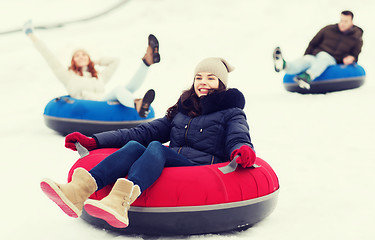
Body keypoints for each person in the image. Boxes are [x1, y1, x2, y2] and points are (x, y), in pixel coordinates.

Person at [40, 57, 257, 229]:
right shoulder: (184, 109)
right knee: (136, 146)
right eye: (199, 77)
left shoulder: (231, 112)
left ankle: (120, 201)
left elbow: (238, 136)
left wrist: (242, 150)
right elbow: (145, 131)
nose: (203, 83)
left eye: (210, 78)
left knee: (155, 148)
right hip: (175, 160)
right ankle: (78, 191)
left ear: (221, 83)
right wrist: (95, 141)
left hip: (201, 168)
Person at [23, 20, 159, 117]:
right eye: (77, 55)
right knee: (119, 90)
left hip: (104, 102)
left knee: (127, 89)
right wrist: (31, 34)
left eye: (84, 55)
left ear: (89, 58)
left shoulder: (98, 76)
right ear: (73, 60)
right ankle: (137, 104)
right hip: (89, 106)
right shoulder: (67, 76)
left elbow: (115, 62)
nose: (81, 57)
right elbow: (48, 55)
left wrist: (95, 62)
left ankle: (146, 62)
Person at [273, 10, 363, 89]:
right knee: (305, 61)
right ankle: (284, 65)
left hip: (333, 60)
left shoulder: (356, 37)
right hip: (316, 56)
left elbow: (355, 53)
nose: (342, 23)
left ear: (351, 22)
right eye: (341, 20)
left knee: (324, 57)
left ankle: (308, 76)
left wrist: (352, 58)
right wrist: (307, 55)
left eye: (346, 21)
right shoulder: (328, 29)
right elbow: (313, 43)